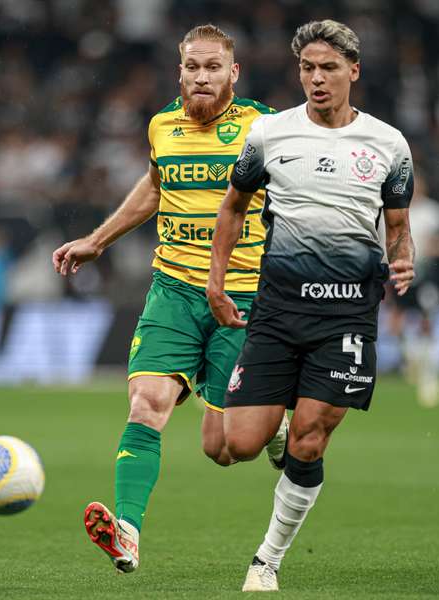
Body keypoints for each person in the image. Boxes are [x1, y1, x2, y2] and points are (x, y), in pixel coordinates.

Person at [52, 24, 286, 574]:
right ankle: (128, 531)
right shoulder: (162, 126)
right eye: (191, 67)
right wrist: (96, 241)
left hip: (243, 298)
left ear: (234, 73)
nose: (200, 77)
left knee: (224, 448)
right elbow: (156, 188)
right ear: (179, 70)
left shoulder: (265, 127)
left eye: (212, 67)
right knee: (145, 403)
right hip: (173, 291)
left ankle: (272, 421)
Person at [206, 20, 415, 592]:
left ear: (354, 70)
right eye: (307, 68)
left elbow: (398, 227)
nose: (316, 79)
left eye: (327, 68)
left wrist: (402, 259)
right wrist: (216, 281)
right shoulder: (269, 135)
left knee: (310, 439)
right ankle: (271, 430)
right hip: (276, 312)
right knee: (236, 445)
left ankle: (266, 560)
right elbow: (233, 207)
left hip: (347, 318)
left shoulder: (388, 145)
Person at [384, 171, 439, 407]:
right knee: (395, 323)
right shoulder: (392, 209)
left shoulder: (433, 212)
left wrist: (434, 245)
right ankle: (411, 359)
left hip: (423, 276)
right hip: (396, 273)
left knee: (428, 320)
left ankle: (426, 367)